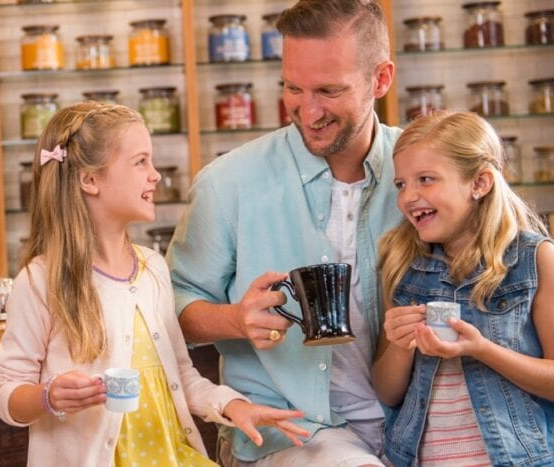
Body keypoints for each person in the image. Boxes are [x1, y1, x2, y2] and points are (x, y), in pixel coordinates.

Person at [0, 102, 309, 467]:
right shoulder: (40, 280)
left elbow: (181, 375)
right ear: (89, 180)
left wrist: (233, 406)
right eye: (140, 161)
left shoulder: (153, 268)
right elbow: (5, 392)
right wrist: (48, 397)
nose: (155, 175)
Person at [168, 0, 398, 465]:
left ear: (381, 79)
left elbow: (515, 268)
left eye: (328, 91)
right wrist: (236, 320)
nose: (307, 111)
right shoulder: (228, 182)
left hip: (417, 421)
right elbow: (167, 308)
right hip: (292, 434)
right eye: (293, 88)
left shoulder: (427, 171)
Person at [372, 111, 554, 465]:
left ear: (480, 183)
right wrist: (399, 346)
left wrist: (482, 349)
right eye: (401, 184)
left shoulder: (534, 260)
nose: (408, 197)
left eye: (426, 179)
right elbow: (387, 391)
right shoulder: (402, 265)